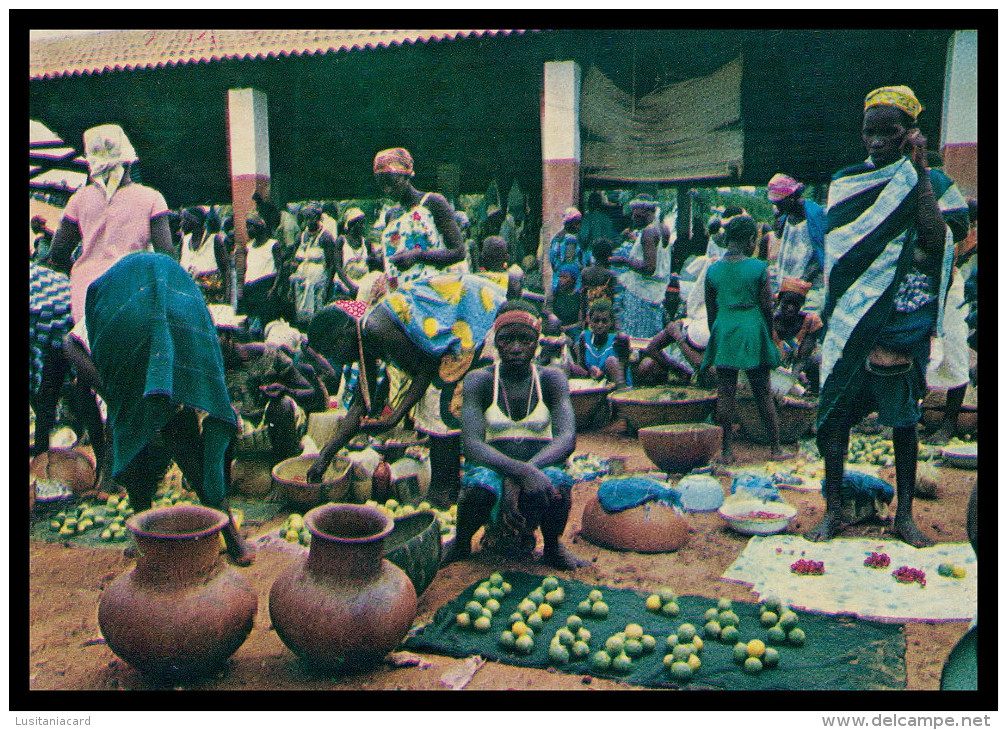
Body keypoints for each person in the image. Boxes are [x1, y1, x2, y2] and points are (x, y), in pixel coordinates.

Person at [806, 85, 969, 546]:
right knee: (834, 419)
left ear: (911, 133)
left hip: (900, 326)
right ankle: (834, 510)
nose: (876, 142)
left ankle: (904, 517)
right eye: (868, 132)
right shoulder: (848, 184)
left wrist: (917, 173)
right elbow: (842, 259)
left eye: (888, 132)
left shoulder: (935, 185)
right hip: (851, 325)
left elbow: (939, 243)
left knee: (902, 425)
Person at [82, 252, 253, 565]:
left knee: (163, 443)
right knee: (168, 446)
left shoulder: (186, 320)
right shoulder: (134, 306)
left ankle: (150, 541)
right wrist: (111, 392)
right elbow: (71, 346)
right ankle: (229, 541)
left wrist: (115, 394)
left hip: (149, 360)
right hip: (133, 365)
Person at [304, 272, 509, 508]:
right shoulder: (363, 339)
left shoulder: (375, 329)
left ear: (343, 336)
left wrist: (395, 418)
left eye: (332, 350)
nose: (336, 359)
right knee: (437, 405)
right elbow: (360, 404)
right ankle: (448, 489)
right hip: (460, 321)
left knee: (435, 401)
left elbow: (426, 370)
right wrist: (325, 456)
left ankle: (444, 491)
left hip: (475, 313)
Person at [443, 301, 586, 570]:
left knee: (555, 484)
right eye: (507, 340)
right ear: (495, 342)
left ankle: (553, 548)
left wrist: (525, 474)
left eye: (526, 340)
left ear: (537, 342)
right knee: (478, 486)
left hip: (537, 467)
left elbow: (567, 439)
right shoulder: (480, 380)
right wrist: (517, 473)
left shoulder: (552, 379)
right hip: (493, 470)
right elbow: (472, 445)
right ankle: (462, 542)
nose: (517, 348)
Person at [45, 124, 175, 379]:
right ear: (128, 159)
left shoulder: (79, 199)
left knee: (89, 369)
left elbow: (57, 251)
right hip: (133, 294)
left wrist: (81, 266)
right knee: (132, 369)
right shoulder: (151, 198)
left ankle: (103, 408)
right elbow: (167, 255)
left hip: (87, 299)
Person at [702, 215, 790, 464]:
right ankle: (775, 448)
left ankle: (727, 451)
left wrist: (718, 335)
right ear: (751, 240)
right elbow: (767, 307)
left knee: (725, 393)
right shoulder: (758, 268)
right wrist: (768, 334)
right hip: (752, 327)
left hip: (725, 326)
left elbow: (711, 310)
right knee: (763, 390)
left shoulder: (713, 270)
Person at [29, 262, 104, 469]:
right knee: (54, 385)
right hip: (64, 301)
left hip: (57, 312)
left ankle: (104, 461)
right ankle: (44, 447)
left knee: (82, 386)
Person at [219, 327, 327, 460]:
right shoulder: (209, 369)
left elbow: (312, 393)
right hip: (242, 436)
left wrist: (287, 391)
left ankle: (286, 468)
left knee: (282, 405)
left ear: (228, 335)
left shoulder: (266, 354)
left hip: (278, 427)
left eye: (216, 335)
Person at [374, 147, 467, 286]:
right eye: (382, 184)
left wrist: (418, 256)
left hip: (434, 292)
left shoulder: (432, 203)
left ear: (407, 175)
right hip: (401, 297)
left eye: (392, 181)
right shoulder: (390, 216)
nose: (388, 189)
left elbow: (458, 252)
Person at [609, 193, 671, 339]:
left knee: (637, 340)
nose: (632, 218)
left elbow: (649, 268)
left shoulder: (648, 232)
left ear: (644, 211)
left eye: (635, 214)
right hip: (655, 294)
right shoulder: (663, 228)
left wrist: (624, 261)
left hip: (641, 295)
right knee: (650, 338)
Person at [765, 173, 827, 311]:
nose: (777, 209)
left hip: (809, 286)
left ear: (792, 198)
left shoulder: (815, 214)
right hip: (788, 285)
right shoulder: (785, 217)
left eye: (779, 204)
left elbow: (822, 252)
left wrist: (801, 283)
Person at [772, 277, 824, 392]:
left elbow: (803, 355)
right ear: (780, 301)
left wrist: (792, 376)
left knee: (817, 359)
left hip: (797, 364)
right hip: (772, 364)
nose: (790, 308)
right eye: (787, 303)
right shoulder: (771, 322)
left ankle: (813, 390)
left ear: (801, 304)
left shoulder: (810, 323)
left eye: (795, 304)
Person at [238, 211, 282, 332]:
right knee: (253, 325)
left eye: (250, 226)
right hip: (251, 290)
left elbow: (280, 269)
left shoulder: (273, 245)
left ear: (259, 227)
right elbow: (246, 269)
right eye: (247, 227)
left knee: (267, 324)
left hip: (265, 289)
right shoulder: (249, 247)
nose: (248, 230)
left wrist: (273, 289)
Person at [572, 298, 630, 387]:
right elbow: (581, 367)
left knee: (611, 361)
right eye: (596, 321)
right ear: (590, 321)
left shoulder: (617, 341)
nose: (600, 325)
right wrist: (590, 372)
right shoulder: (585, 338)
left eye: (604, 321)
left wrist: (603, 373)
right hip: (594, 384)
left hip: (614, 385)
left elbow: (622, 371)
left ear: (611, 322)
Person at [179, 206, 231, 305]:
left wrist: (227, 300)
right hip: (190, 300)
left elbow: (226, 270)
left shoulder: (214, 240)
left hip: (212, 300)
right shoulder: (184, 241)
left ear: (195, 221)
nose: (181, 223)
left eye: (185, 219)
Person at [332, 207, 370, 299]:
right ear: (352, 225)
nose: (363, 226)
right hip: (344, 286)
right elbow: (338, 267)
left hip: (362, 287)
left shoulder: (366, 243)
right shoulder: (341, 241)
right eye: (360, 224)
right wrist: (350, 286)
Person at [548, 207, 582, 292]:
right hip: (572, 285)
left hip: (558, 283)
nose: (579, 225)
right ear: (571, 223)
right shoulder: (571, 239)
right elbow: (571, 263)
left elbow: (552, 260)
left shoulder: (557, 238)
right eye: (577, 222)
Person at [550, 264, 582, 337]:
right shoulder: (555, 294)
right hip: (555, 331)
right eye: (560, 277)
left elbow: (580, 322)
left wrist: (566, 328)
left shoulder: (579, 297)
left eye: (565, 277)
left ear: (573, 279)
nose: (561, 280)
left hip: (573, 332)